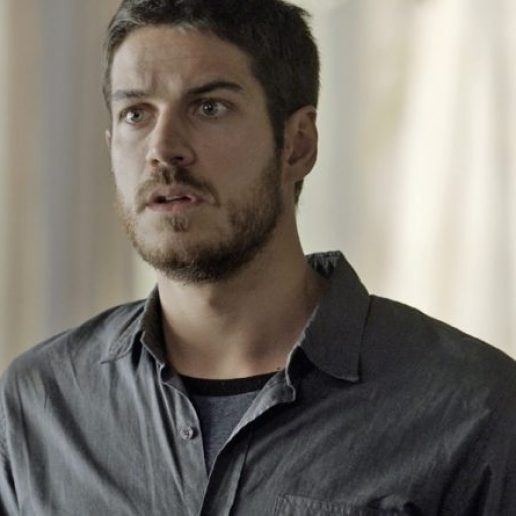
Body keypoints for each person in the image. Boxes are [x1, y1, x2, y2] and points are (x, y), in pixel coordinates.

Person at [1, 0, 515, 514]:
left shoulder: (475, 408)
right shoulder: (37, 404)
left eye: (209, 107)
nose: (163, 148)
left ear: (297, 145)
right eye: (136, 114)